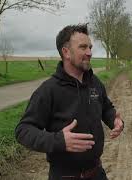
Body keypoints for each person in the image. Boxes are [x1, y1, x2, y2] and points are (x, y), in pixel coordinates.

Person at [15, 24, 124, 180]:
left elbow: (106, 107)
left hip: (97, 172)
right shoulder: (48, 90)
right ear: (66, 52)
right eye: (83, 47)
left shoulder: (94, 82)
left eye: (90, 47)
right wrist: (58, 141)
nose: (89, 53)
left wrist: (114, 119)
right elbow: (23, 130)